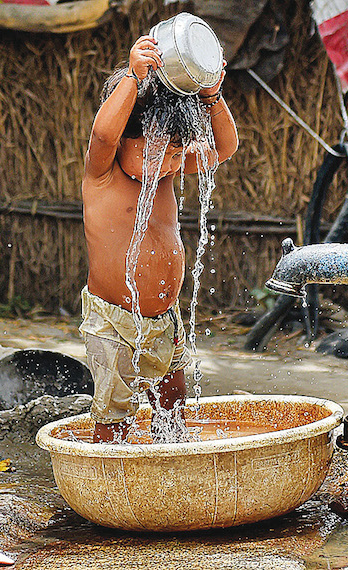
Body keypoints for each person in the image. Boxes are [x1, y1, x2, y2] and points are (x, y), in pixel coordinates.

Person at [80, 34, 239, 443]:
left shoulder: (166, 171)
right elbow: (102, 136)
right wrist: (133, 79)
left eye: (176, 153)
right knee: (113, 415)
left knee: (173, 402)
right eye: (157, 153)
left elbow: (224, 147)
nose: (168, 164)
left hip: (165, 318)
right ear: (125, 141)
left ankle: (169, 461)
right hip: (113, 321)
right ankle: (107, 473)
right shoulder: (102, 174)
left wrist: (212, 96)